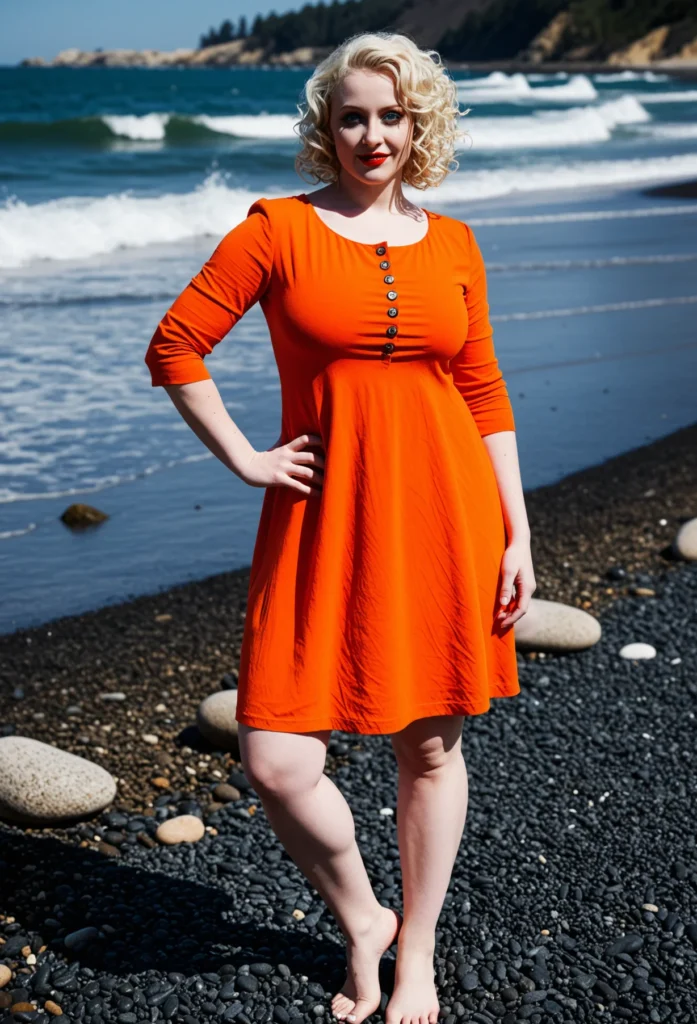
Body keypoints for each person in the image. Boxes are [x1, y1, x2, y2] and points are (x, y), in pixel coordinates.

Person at [144, 30, 536, 1024]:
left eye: (392, 115)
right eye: (352, 114)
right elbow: (177, 344)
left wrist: (518, 533)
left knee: (432, 749)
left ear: (420, 124)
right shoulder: (275, 230)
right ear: (326, 123)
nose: (372, 134)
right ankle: (362, 918)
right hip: (321, 519)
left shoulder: (453, 243)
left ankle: (418, 953)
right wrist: (245, 455)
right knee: (276, 757)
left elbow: (483, 392)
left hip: (448, 513)